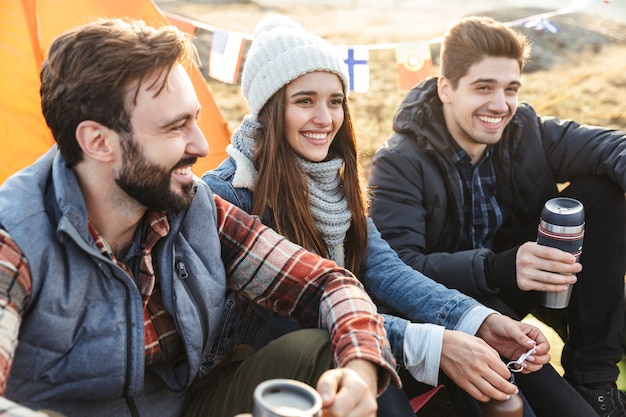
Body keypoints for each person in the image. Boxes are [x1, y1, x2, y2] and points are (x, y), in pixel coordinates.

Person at [0, 17, 406, 417]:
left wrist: (362, 368)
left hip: (189, 406)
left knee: (319, 348)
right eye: (175, 127)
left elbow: (326, 283)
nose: (201, 143)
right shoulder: (14, 237)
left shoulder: (193, 206)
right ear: (98, 141)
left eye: (194, 118)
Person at [202, 14, 553, 417]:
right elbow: (299, 315)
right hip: (258, 372)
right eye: (304, 101)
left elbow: (386, 269)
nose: (325, 118)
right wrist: (432, 344)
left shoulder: (332, 182)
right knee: (371, 358)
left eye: (335, 101)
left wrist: (478, 321)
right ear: (268, 109)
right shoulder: (230, 193)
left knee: (486, 363)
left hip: (337, 343)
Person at [368, 15, 626, 417]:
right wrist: (500, 267)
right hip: (457, 303)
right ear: (446, 88)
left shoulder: (523, 127)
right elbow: (399, 270)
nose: (500, 104)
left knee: (600, 192)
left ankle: (594, 379)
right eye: (483, 87)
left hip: (527, 276)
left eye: (511, 89)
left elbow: (610, 146)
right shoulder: (399, 162)